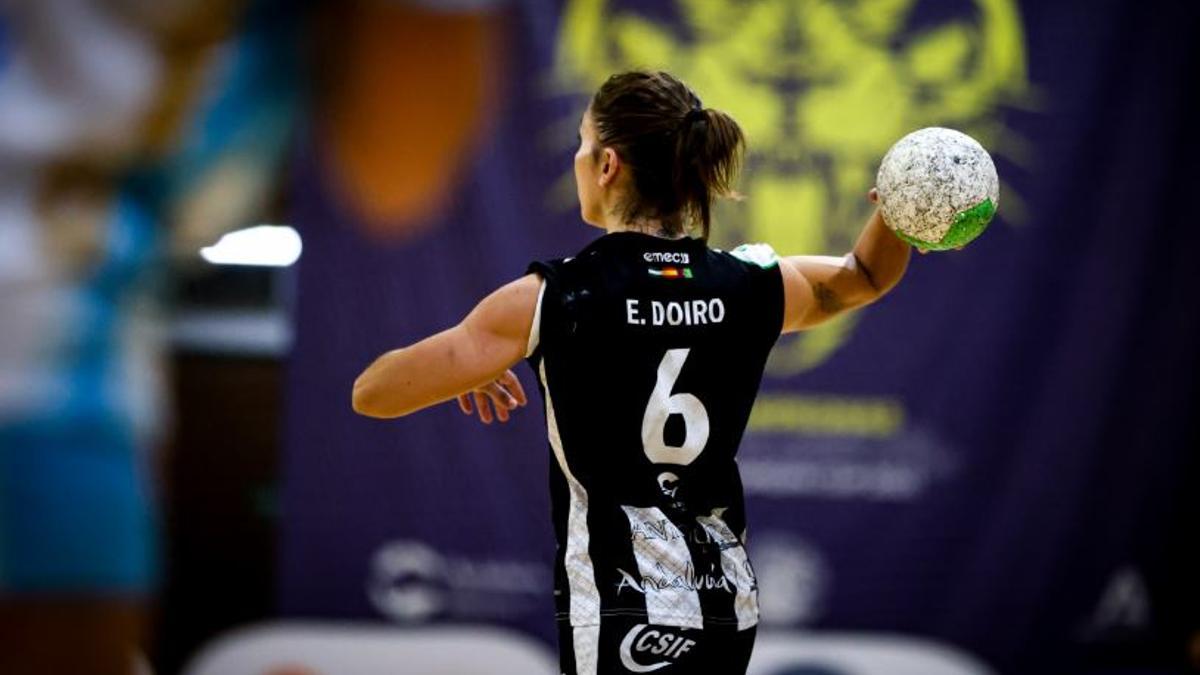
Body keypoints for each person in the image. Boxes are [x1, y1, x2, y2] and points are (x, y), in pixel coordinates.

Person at [352, 70, 912, 675]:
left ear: (608, 164)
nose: (576, 157)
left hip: (626, 608)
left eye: (581, 142)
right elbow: (864, 276)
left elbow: (373, 393)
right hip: (728, 605)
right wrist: (906, 208)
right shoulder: (755, 283)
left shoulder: (554, 296)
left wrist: (467, 367)